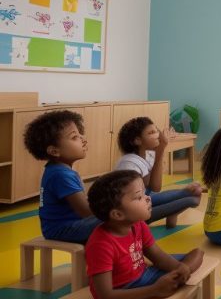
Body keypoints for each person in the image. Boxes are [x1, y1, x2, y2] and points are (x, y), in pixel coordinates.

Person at [86, 170, 204, 298]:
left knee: (197, 254)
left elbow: (158, 258)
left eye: (144, 194)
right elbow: (104, 295)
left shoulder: (138, 225)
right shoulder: (101, 244)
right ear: (118, 214)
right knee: (182, 272)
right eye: (139, 197)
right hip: (124, 291)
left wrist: (179, 267)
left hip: (144, 275)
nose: (148, 198)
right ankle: (167, 286)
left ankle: (173, 281)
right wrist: (153, 290)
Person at [26, 110, 101, 243]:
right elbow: (86, 212)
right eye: (74, 137)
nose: (83, 140)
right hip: (64, 229)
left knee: (122, 216)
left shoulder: (58, 170)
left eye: (80, 135)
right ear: (54, 151)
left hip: (65, 226)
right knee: (121, 217)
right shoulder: (61, 175)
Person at [115, 117, 202, 228]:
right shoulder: (130, 163)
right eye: (151, 132)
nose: (157, 135)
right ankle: (171, 213)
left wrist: (161, 148)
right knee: (193, 200)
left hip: (144, 199)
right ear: (137, 140)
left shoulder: (149, 155)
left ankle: (172, 212)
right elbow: (135, 201)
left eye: (156, 131)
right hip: (131, 213)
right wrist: (161, 149)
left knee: (196, 191)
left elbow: (154, 188)